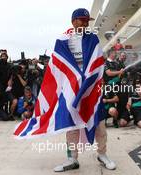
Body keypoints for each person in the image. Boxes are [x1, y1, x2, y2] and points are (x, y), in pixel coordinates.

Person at [54, 8, 116, 172]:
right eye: (82, 20)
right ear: (73, 21)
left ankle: (102, 154)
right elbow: (58, 65)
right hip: (71, 89)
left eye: (87, 20)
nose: (85, 23)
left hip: (91, 88)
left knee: (99, 123)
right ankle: (72, 158)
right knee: (71, 124)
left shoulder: (93, 38)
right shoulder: (63, 40)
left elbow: (98, 62)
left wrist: (88, 79)